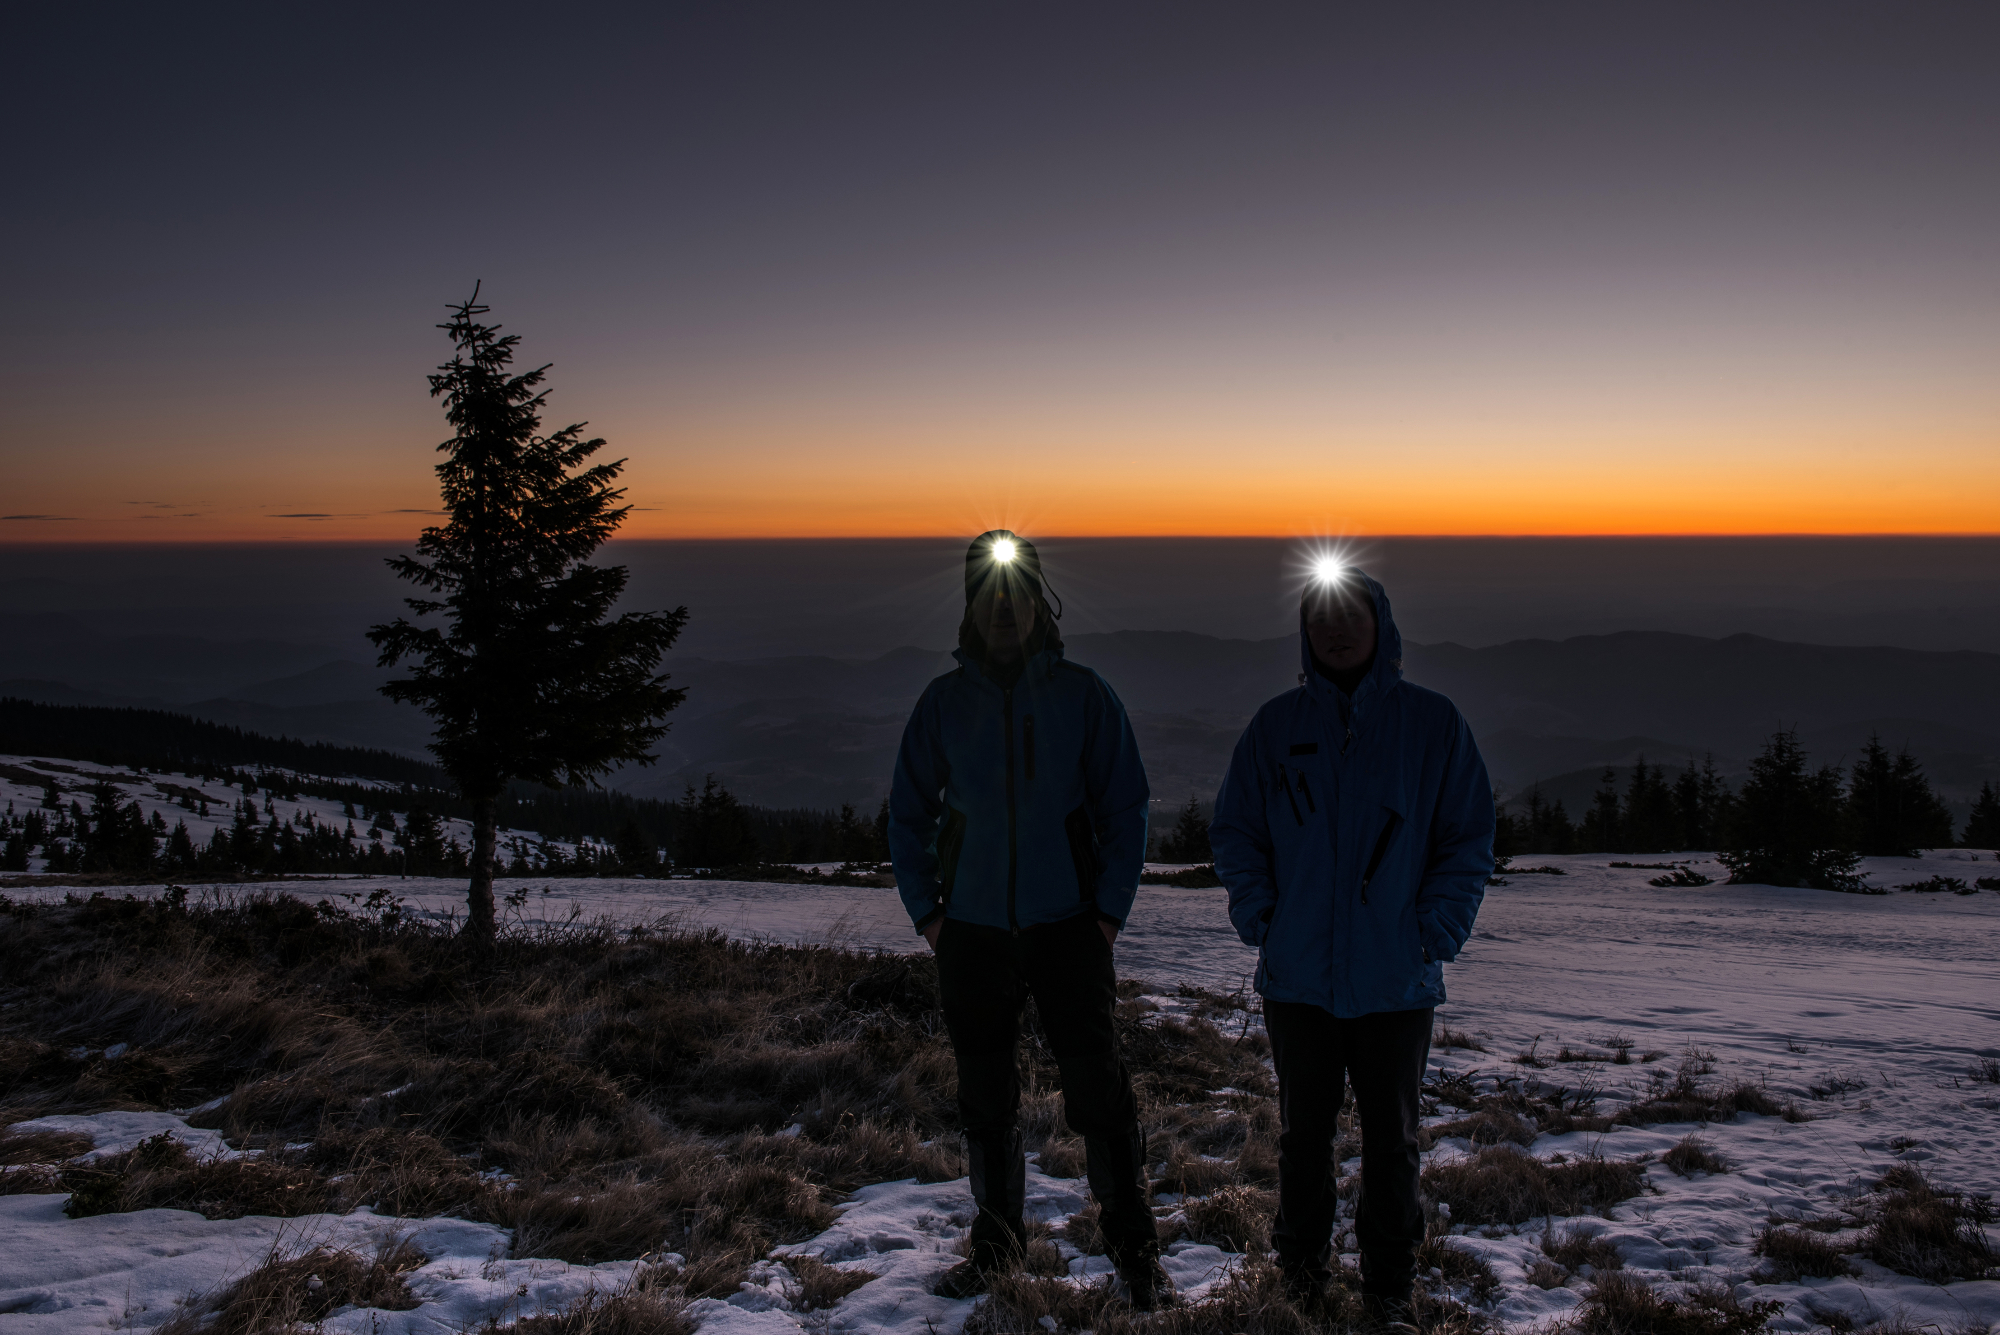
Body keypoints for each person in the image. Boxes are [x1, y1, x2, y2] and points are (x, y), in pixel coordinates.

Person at [888, 530, 1167, 1307]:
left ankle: (1134, 1248)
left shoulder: (1082, 694)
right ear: (971, 606)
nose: (1003, 607)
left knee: (1097, 1089)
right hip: (971, 933)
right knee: (986, 1093)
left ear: (1040, 601)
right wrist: (931, 917)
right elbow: (906, 813)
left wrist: (1106, 914)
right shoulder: (943, 703)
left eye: (1015, 592)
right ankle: (997, 1246)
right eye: (988, 593)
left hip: (1069, 925)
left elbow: (1126, 805)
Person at [1209, 566, 1493, 1330]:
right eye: (1321, 617)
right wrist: (1260, 910)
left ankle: (1388, 1284)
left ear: (1381, 625)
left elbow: (1467, 835)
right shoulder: (1276, 727)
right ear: (1305, 631)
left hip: (1396, 978)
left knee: (1392, 1139)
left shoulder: (1431, 724)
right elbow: (1236, 828)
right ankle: (1299, 1273)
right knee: (1305, 1136)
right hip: (1298, 975)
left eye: (1350, 616)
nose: (1336, 630)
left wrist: (1436, 927)